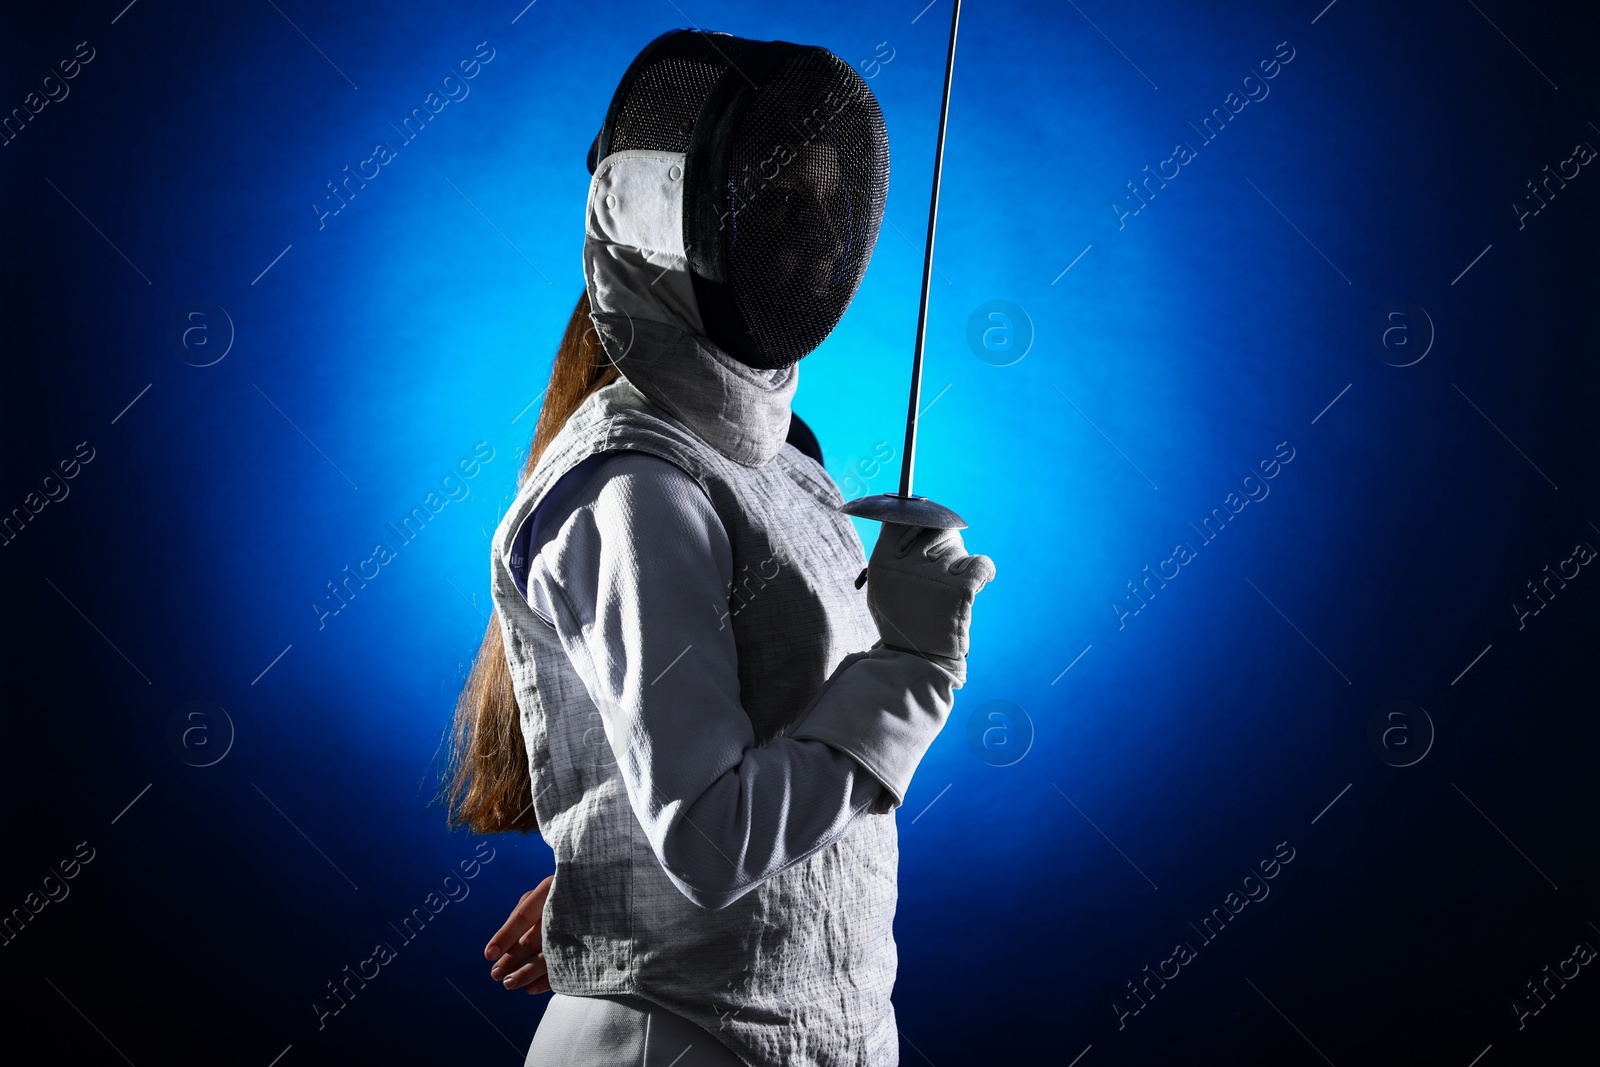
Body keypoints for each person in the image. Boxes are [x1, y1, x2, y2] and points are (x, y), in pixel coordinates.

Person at [441, 27, 996, 1067]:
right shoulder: (639, 485)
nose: (818, 237)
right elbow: (709, 836)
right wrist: (914, 672)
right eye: (784, 201)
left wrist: (609, 876)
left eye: (833, 203)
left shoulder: (776, 458)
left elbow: (709, 772)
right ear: (679, 227)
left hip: (810, 1030)